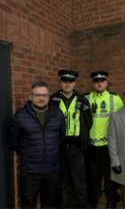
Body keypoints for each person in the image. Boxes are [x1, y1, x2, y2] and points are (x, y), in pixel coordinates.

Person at [9, 80, 66, 208]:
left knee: (49, 204)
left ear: (48, 97)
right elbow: (14, 141)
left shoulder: (58, 115)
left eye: (45, 95)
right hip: (30, 172)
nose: (41, 98)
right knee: (28, 204)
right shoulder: (19, 117)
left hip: (52, 171)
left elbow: (60, 137)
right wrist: (28, 154)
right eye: (37, 95)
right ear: (30, 97)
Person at [50, 69, 93, 208]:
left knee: (79, 184)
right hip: (58, 149)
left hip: (76, 149)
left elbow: (88, 122)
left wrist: (84, 143)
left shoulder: (82, 100)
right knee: (56, 184)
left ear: (75, 83)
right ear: (60, 83)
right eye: (64, 82)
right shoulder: (53, 100)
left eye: (70, 82)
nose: (67, 85)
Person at [85, 71, 123, 209]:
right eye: (96, 82)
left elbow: (122, 121)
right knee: (93, 176)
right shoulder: (86, 98)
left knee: (110, 177)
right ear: (93, 84)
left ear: (106, 83)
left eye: (102, 81)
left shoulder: (115, 98)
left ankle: (111, 201)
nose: (99, 84)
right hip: (91, 146)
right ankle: (94, 200)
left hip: (108, 146)